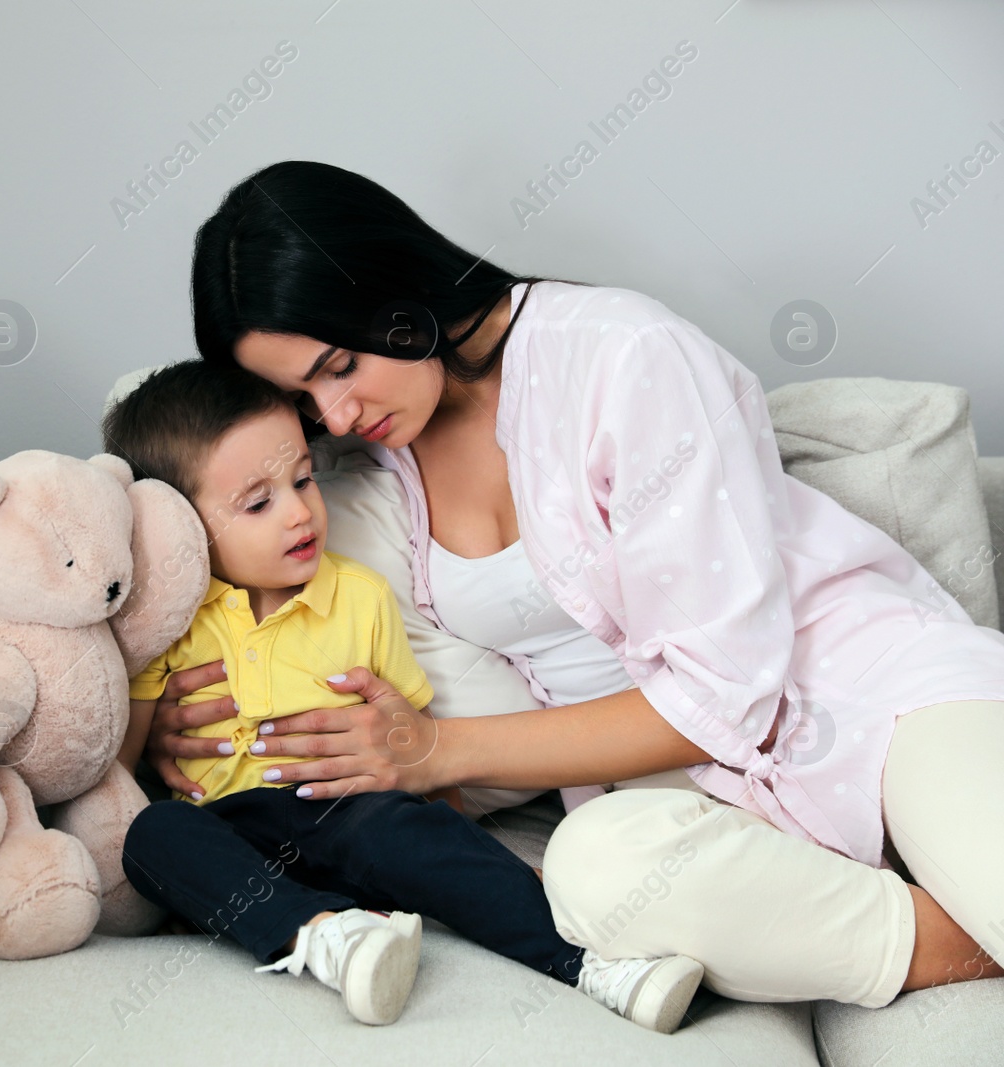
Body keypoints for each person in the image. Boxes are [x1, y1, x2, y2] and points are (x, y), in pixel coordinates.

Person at [143, 159, 1004, 1013]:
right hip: (690, 788)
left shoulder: (622, 355)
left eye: (337, 366)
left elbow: (728, 694)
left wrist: (437, 751)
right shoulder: (359, 466)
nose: (333, 416)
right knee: (595, 872)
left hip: (875, 698)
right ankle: (951, 938)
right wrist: (180, 717)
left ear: (392, 288)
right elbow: (225, 529)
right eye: (302, 398)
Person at [101, 359, 704, 1031]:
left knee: (405, 832)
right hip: (237, 832)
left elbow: (413, 740)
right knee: (153, 833)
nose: (300, 511)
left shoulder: (357, 595)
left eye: (303, 478)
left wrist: (458, 842)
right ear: (182, 526)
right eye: (258, 502)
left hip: (350, 815)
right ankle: (325, 938)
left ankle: (595, 968)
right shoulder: (174, 620)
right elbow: (119, 769)